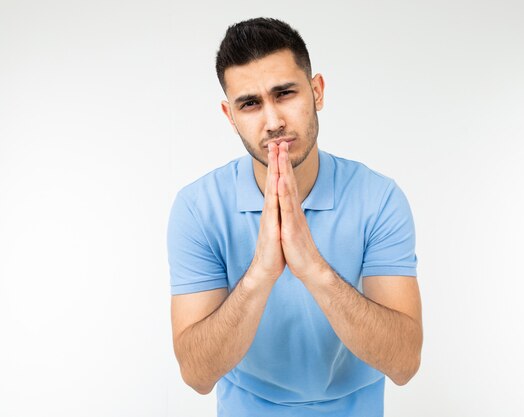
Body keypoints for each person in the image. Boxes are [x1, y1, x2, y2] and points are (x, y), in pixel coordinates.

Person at [167, 17, 423, 417]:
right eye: (250, 103)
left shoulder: (379, 198)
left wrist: (313, 269)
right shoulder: (198, 208)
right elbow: (197, 375)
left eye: (284, 93)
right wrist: (261, 274)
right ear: (229, 115)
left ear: (317, 91)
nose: (273, 122)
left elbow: (405, 363)